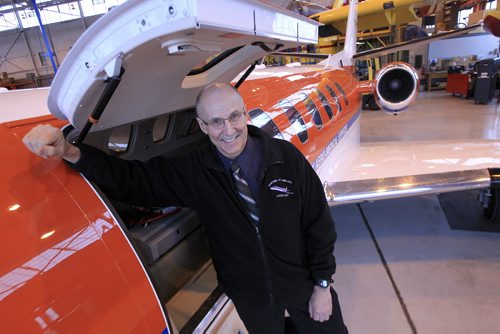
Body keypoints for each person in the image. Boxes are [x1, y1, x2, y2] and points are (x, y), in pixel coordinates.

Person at [23, 82, 347, 334]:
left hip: (303, 282)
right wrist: (70, 151)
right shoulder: (194, 170)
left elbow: (318, 223)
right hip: (252, 296)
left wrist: (322, 284)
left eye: (234, 116)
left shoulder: (284, 158)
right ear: (203, 126)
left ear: (245, 114)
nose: (229, 129)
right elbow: (134, 180)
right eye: (216, 122)